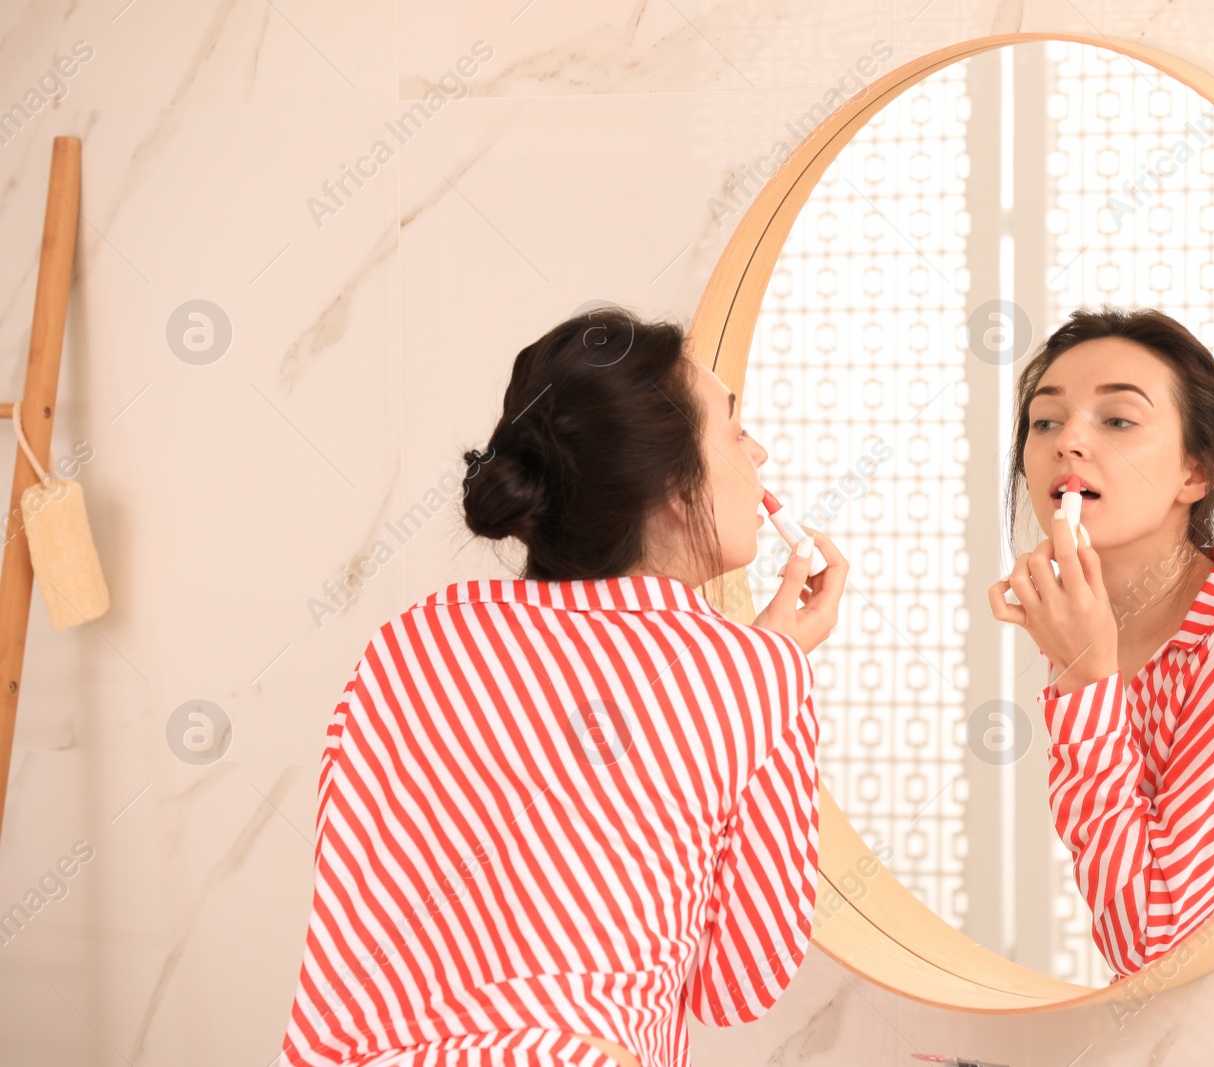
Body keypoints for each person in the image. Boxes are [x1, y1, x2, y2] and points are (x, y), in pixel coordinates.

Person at [279, 306, 848, 1067]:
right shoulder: (749, 675)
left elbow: (363, 900)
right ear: (675, 487)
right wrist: (766, 681)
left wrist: (751, 677)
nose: (761, 451)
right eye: (736, 430)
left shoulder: (410, 642)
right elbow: (737, 984)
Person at [988, 306, 1214, 977]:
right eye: (1046, 420)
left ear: (1197, 474)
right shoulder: (1088, 623)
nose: (1068, 442)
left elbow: (1154, 946)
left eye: (1117, 420)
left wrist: (1087, 680)